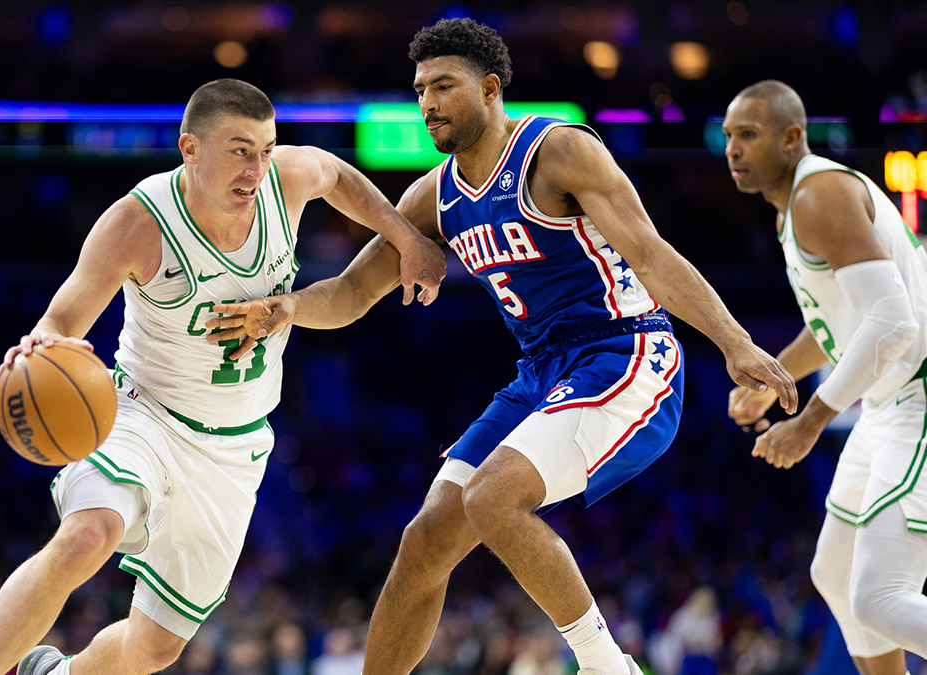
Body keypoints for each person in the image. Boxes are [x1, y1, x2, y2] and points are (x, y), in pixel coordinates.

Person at [208, 19, 795, 675]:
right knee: (425, 539)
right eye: (420, 88)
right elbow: (350, 292)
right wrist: (281, 309)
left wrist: (735, 342)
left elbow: (653, 255)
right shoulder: (434, 195)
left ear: (490, 89)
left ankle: (609, 666)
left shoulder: (559, 150)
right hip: (541, 372)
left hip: (625, 352)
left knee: (490, 499)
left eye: (444, 85)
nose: (428, 101)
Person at [0, 78, 446, 675]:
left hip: (235, 446)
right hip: (144, 413)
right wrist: (38, 345)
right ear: (191, 148)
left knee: (156, 647)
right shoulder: (138, 222)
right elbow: (63, 317)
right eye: (240, 150)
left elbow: (336, 175)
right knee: (87, 537)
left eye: (265, 149)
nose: (257, 167)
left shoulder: (285, 180)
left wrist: (405, 237)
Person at [722, 80, 927, 675]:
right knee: (834, 574)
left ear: (792, 137)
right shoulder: (796, 206)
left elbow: (893, 323)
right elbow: (844, 321)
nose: (733, 149)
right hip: (891, 405)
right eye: (730, 136)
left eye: (749, 135)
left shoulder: (819, 196)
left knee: (879, 598)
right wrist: (776, 379)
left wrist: (811, 421)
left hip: (918, 400)